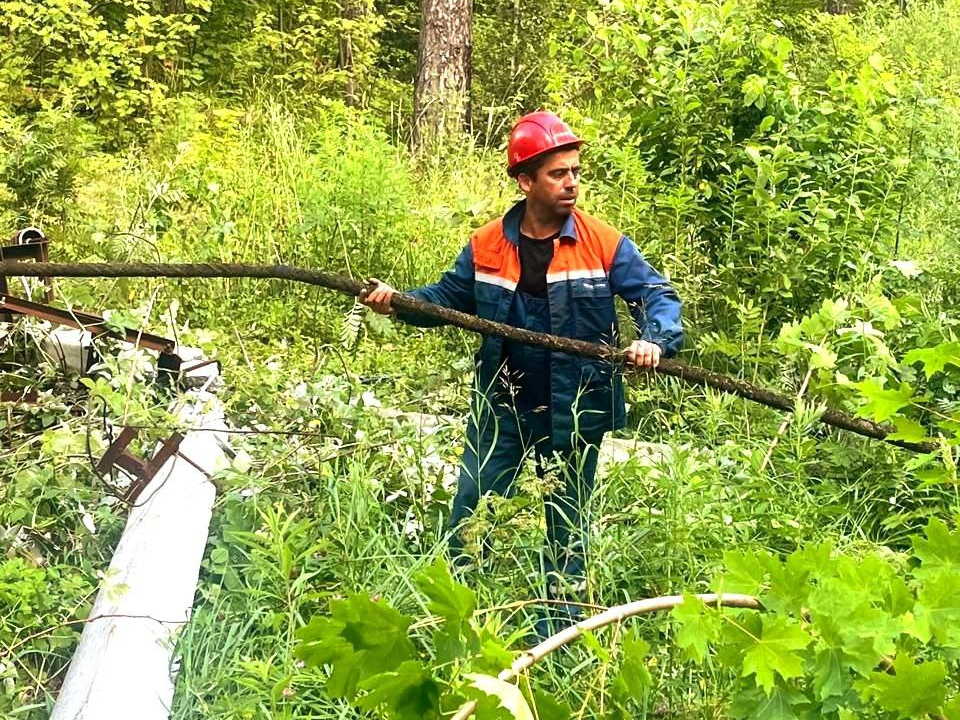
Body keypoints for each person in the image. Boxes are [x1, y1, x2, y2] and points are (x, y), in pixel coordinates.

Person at [361, 111, 683, 629]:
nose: (572, 183)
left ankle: (560, 632)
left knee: (566, 525)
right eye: (559, 174)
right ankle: (453, 619)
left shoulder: (603, 242)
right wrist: (397, 302)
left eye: (576, 171)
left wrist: (653, 339)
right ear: (525, 180)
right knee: (472, 509)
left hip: (575, 409)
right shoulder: (487, 244)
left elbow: (655, 294)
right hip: (502, 404)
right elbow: (446, 299)